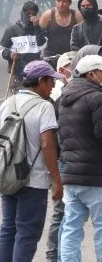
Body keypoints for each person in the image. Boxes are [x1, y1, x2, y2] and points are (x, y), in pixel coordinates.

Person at [0, 60, 63, 262]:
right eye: (51, 81)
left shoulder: (9, 102)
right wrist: (56, 179)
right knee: (28, 232)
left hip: (8, 177)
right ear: (40, 81)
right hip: (34, 181)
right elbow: (47, 144)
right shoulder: (44, 107)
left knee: (8, 228)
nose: (53, 86)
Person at [57, 54, 102, 261]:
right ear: (91, 74)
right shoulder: (97, 98)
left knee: (71, 227)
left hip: (71, 175)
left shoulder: (64, 98)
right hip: (95, 176)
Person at [44, 50, 74, 262]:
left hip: (71, 161)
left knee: (70, 215)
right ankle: (53, 255)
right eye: (73, 67)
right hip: (62, 161)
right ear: (62, 70)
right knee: (62, 212)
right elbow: (50, 138)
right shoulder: (56, 97)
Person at [0, 2, 47, 94]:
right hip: (18, 73)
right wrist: (10, 54)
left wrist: (37, 27)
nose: (30, 17)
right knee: (19, 98)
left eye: (33, 14)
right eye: (28, 14)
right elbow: (1, 49)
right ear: (22, 13)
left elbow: (41, 45)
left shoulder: (39, 30)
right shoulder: (12, 30)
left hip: (35, 72)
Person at [39, 0, 82, 66]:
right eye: (58, 1)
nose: (61, 4)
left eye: (64, 1)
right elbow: (39, 38)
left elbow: (83, 38)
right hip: (50, 58)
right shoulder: (47, 16)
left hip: (71, 58)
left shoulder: (77, 17)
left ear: (70, 2)